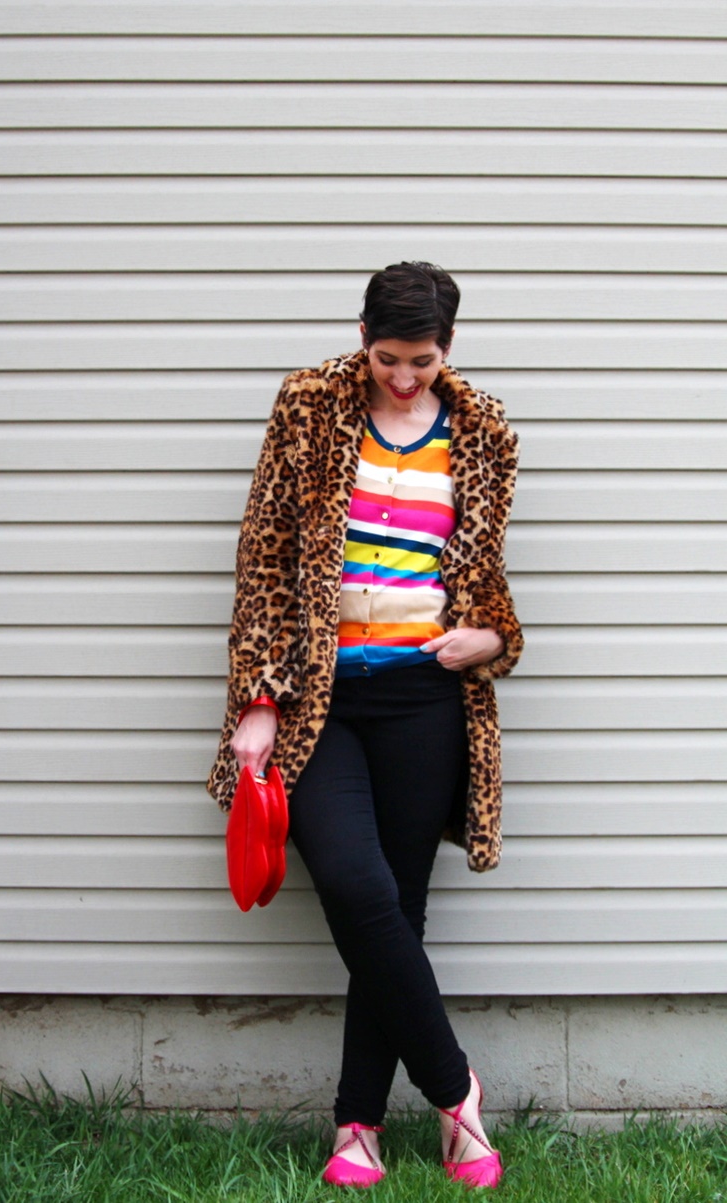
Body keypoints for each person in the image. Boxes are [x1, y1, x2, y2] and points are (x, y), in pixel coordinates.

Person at [208, 261, 523, 1189]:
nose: (400, 377)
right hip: (321, 702)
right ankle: (456, 1091)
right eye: (386, 357)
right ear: (362, 338)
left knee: (397, 909)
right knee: (354, 882)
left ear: (448, 350)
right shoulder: (307, 407)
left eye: (419, 362)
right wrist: (259, 701)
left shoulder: (484, 433)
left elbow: (486, 581)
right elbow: (262, 560)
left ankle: (357, 1127)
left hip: (427, 699)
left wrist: (492, 636)